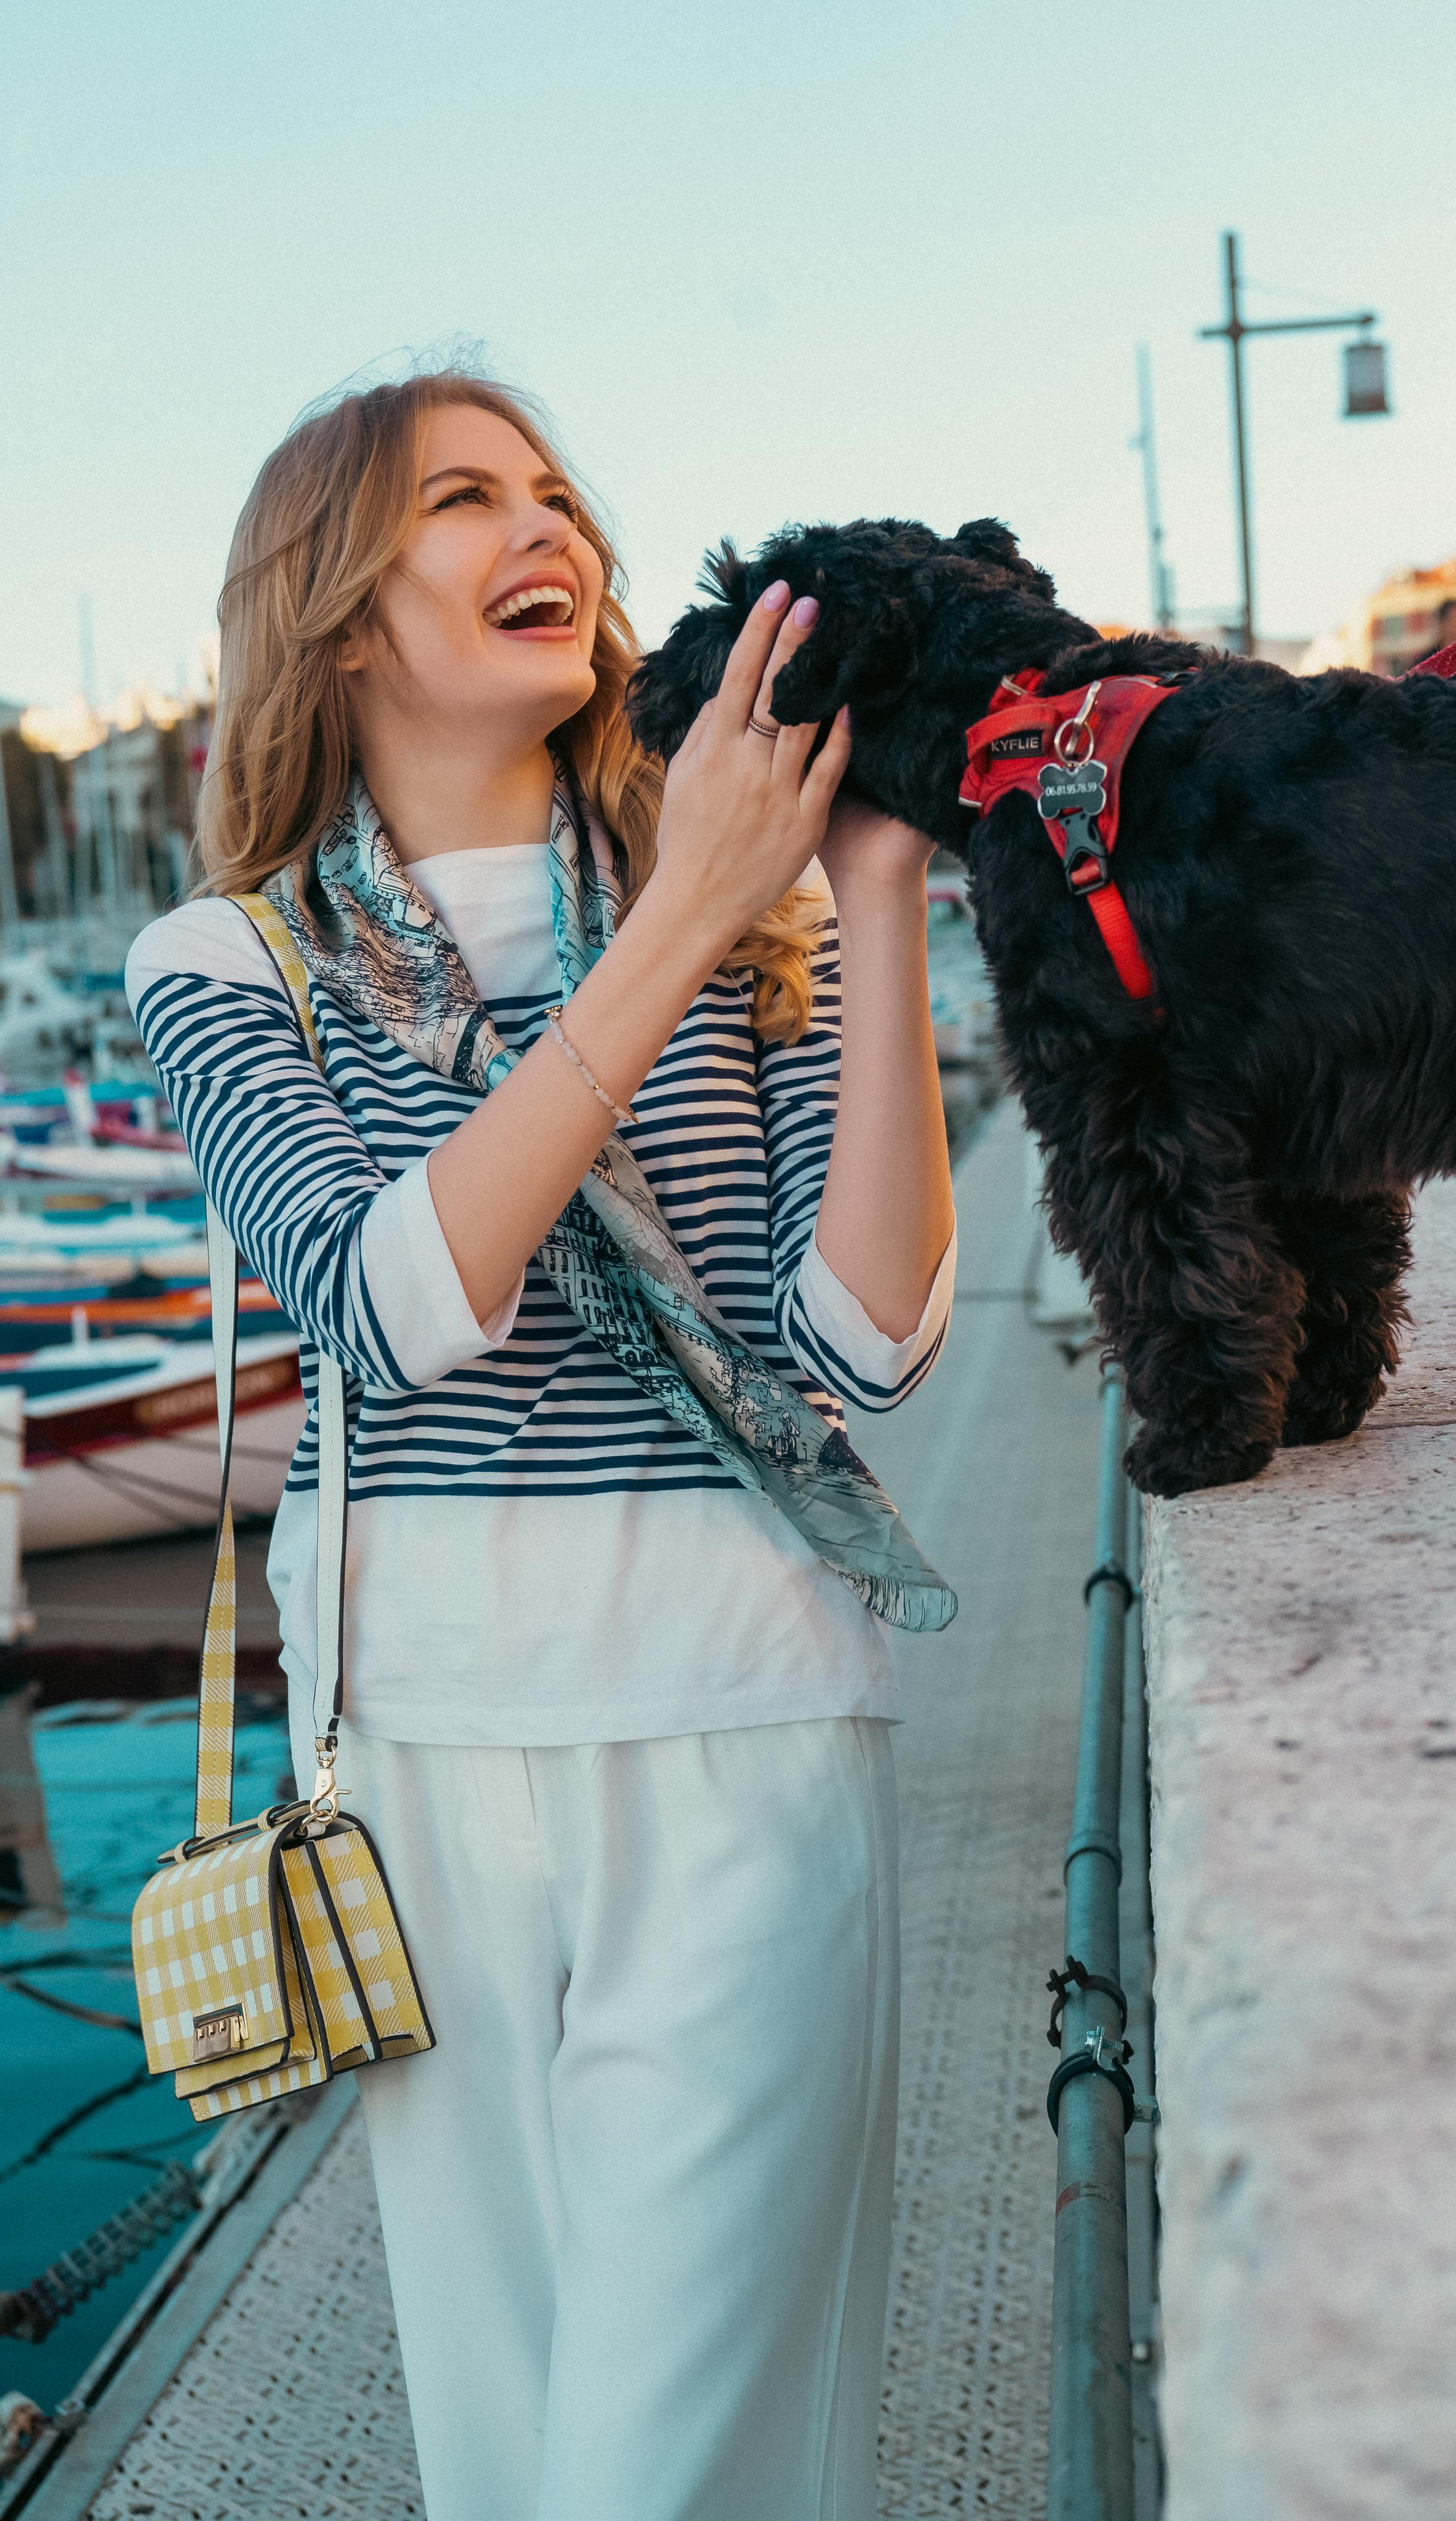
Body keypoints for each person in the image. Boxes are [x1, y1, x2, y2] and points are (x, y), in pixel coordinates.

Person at [126, 368, 958, 2521]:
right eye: (465, 499)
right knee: (509, 2459)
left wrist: (866, 888)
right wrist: (685, 912)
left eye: (560, 492)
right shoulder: (232, 959)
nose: (549, 529)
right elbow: (388, 1305)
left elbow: (865, 1350)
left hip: (747, 1716)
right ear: (333, 612)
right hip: (418, 1754)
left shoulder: (759, 913)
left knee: (680, 2468)